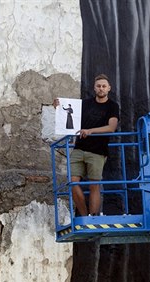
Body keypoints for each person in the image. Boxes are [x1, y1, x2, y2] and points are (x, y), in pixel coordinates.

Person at [53, 74, 119, 216]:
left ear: (109, 88)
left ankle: (93, 219)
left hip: (98, 151)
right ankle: (84, 217)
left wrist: (90, 131)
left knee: (94, 185)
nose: (101, 88)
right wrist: (58, 107)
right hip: (79, 148)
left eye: (103, 86)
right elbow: (68, 115)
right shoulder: (85, 104)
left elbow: (111, 127)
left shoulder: (113, 106)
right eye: (98, 86)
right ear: (94, 88)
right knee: (73, 182)